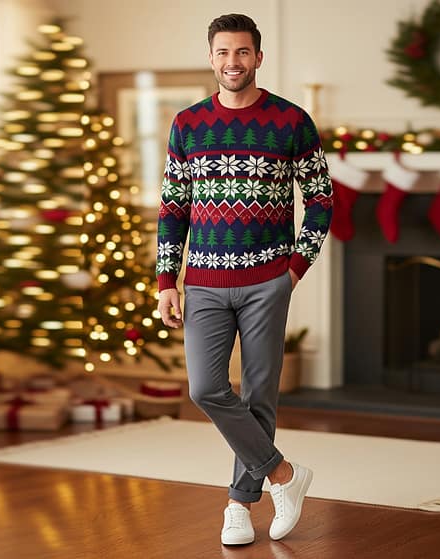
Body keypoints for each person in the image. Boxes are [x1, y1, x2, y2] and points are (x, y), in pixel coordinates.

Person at [154, 13, 333, 546]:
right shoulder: (188, 124)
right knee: (206, 388)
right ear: (211, 58)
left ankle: (238, 505)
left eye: (242, 52)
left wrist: (294, 271)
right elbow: (173, 207)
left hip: (268, 281)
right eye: (223, 52)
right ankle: (284, 475)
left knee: (259, 395)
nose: (232, 62)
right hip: (204, 282)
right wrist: (166, 281)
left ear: (258, 57)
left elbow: (321, 200)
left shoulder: (292, 120)